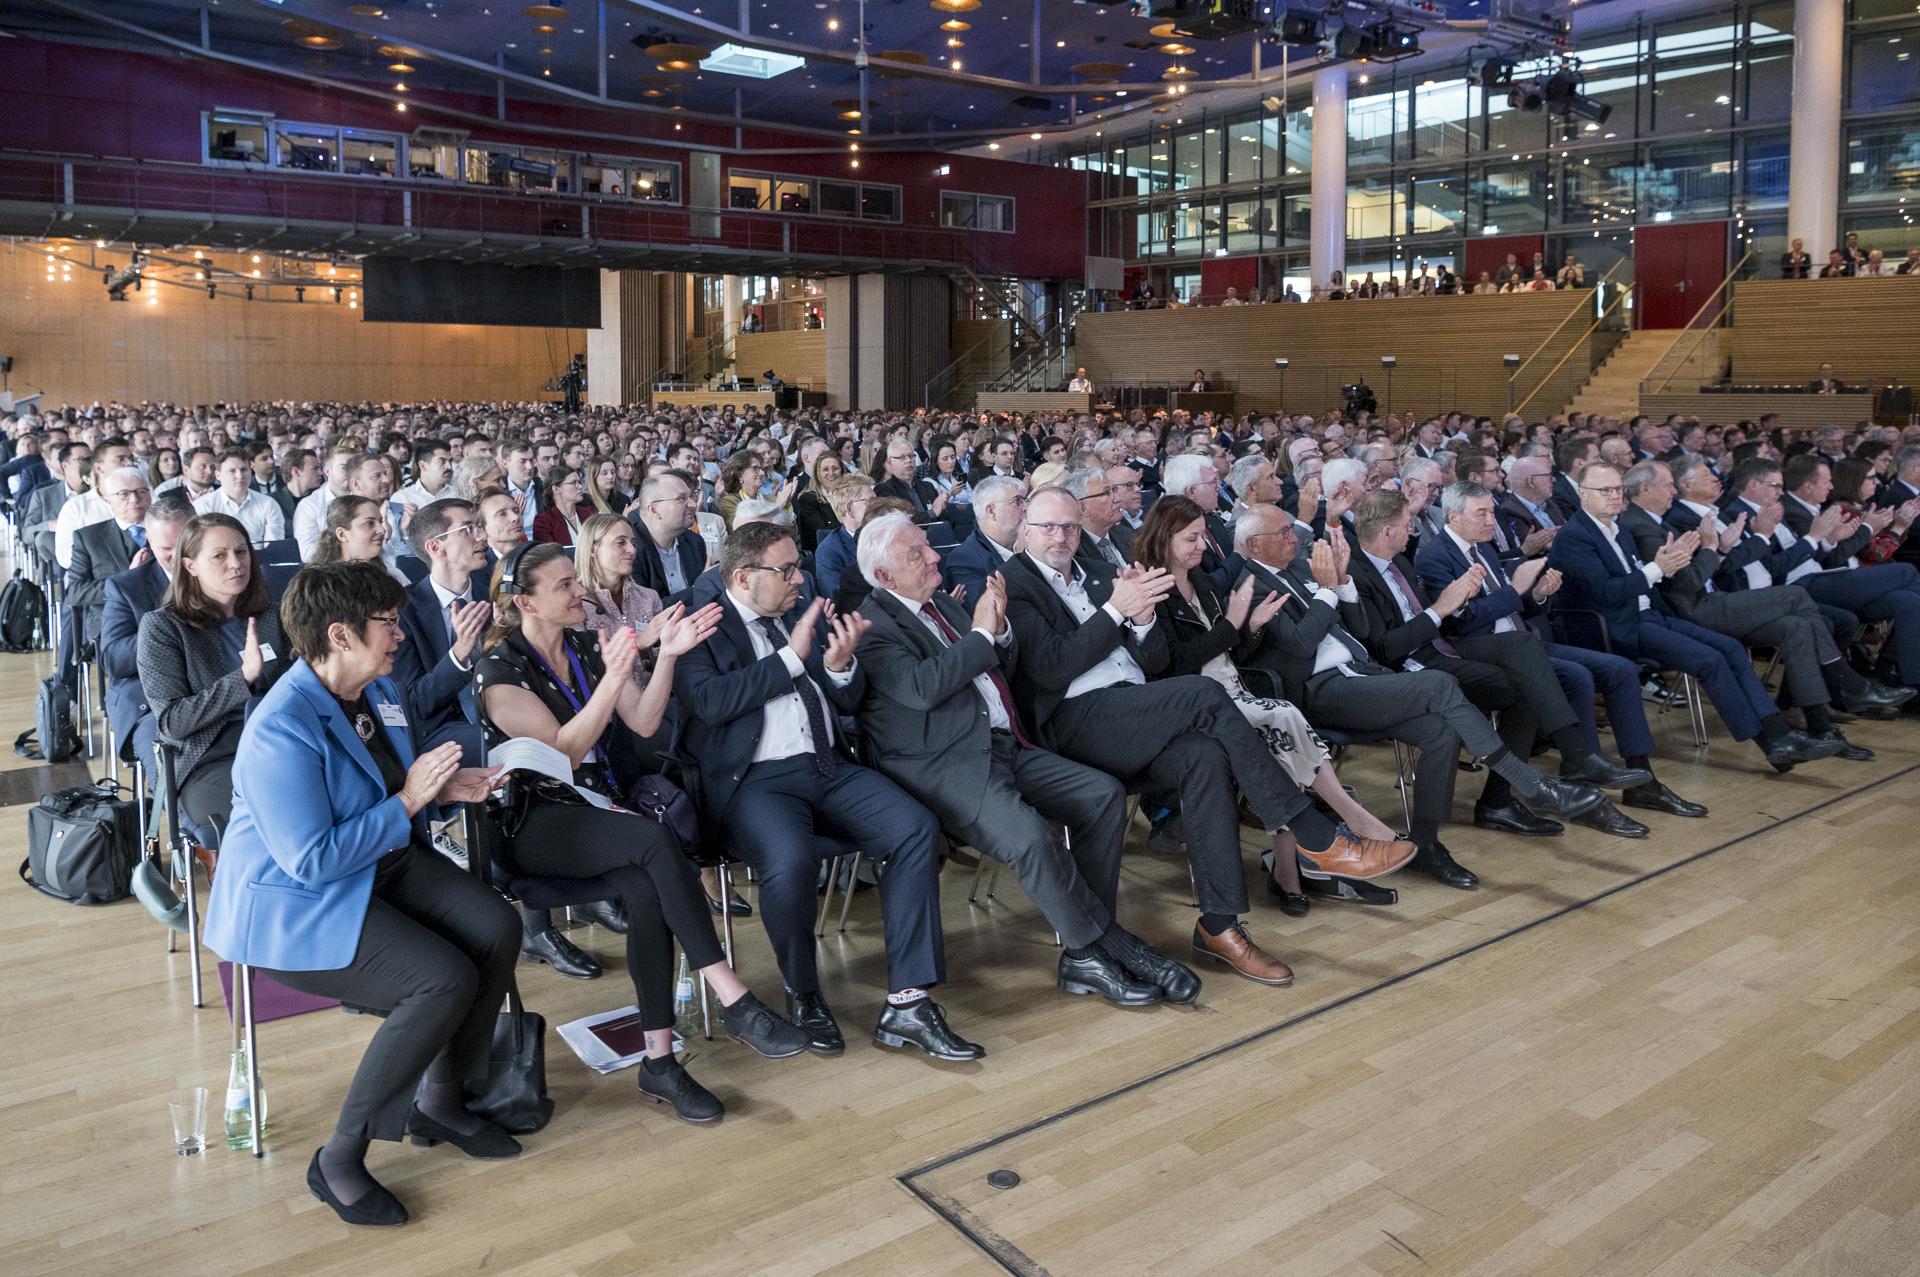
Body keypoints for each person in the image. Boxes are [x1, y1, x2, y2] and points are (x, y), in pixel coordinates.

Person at [200, 561, 522, 1228]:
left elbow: (389, 788)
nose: (401, 635)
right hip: (295, 903)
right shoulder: (279, 728)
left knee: (496, 925)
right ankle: (341, 1154)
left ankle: (441, 1096)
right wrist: (410, 798)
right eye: (388, 623)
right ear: (340, 633)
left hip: (376, 864)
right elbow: (312, 858)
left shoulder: (379, 691)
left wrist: (443, 791)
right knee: (439, 980)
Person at [1003, 487, 1415, 987]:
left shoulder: (1092, 572)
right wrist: (1116, 611)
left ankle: (1219, 926)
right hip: (1076, 721)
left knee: (1205, 757)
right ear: (1025, 527)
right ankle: (1316, 835)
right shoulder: (1016, 582)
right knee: (1203, 693)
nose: (1062, 536)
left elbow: (1153, 662)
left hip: (1135, 711)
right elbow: (1049, 670)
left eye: (1069, 526)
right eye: (1049, 527)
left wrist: (1143, 619)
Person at [477, 542, 810, 1114]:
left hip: (599, 816)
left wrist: (670, 657)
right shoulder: (499, 669)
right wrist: (616, 673)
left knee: (646, 886)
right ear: (524, 602)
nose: (579, 592)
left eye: (574, 582)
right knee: (654, 843)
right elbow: (565, 753)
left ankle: (659, 1062)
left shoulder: (585, 645)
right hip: (534, 822)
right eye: (563, 586)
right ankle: (731, 995)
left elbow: (644, 718)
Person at [854, 513, 1198, 1005]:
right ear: (885, 576)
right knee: (1033, 838)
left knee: (1101, 794)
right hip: (947, 765)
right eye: (917, 554)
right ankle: (1102, 945)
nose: (934, 556)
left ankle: (1086, 949)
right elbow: (923, 688)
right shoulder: (872, 625)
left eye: (929, 546)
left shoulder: (941, 607)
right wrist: (980, 635)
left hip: (1002, 744)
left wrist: (1002, 629)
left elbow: (998, 664)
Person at [672, 522, 982, 1061]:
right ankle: (804, 992)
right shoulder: (704, 625)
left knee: (915, 829)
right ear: (744, 577)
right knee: (789, 860)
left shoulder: (801, 613)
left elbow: (848, 700)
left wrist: (839, 669)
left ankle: (908, 1000)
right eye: (786, 569)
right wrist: (792, 658)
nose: (800, 578)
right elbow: (709, 702)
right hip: (754, 784)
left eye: (799, 566)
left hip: (828, 766)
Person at [1232, 503, 1606, 888]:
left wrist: (1342, 582)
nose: (1293, 537)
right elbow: (1300, 643)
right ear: (1255, 545)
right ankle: (1526, 782)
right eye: (1283, 533)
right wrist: (1327, 590)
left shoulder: (1299, 568)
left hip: (1361, 674)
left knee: (1439, 732)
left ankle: (1426, 843)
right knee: (1440, 684)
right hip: (1320, 690)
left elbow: (1358, 629)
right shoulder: (1251, 585)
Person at [1132, 497, 1411, 913]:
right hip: (1194, 703)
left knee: (1279, 726)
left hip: (1234, 688)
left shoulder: (1203, 584)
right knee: (1280, 721)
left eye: (1203, 537)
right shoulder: (1154, 591)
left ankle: (1293, 871)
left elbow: (1232, 652)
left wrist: (1252, 627)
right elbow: (1173, 664)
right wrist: (1232, 624)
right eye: (1191, 539)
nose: (1202, 547)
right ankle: (1342, 832)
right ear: (1164, 538)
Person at [1545, 463, 1845, 773]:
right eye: (1604, 491)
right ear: (1582, 494)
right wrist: (1658, 568)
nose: (1613, 496)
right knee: (1709, 660)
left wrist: (1671, 564)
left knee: (1728, 648)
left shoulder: (1616, 528)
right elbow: (1608, 592)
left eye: (1617, 489)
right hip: (1616, 625)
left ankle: (1780, 737)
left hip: (1648, 614)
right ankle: (1771, 745)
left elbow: (1641, 578)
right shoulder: (1575, 536)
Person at [136, 513, 292, 832]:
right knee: (271, 813)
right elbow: (172, 722)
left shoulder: (273, 616)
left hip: (280, 743)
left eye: (241, 552)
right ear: (191, 566)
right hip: (212, 756)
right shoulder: (163, 627)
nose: (236, 564)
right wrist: (243, 678)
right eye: (219, 555)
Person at [100, 492, 193, 771]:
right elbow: (113, 660)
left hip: (211, 690)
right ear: (150, 544)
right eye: (167, 548)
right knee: (177, 773)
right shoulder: (126, 587)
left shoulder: (220, 573)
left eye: (184, 545)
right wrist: (166, 628)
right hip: (148, 701)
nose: (177, 556)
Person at [943, 474, 1027, 605]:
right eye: (1017, 501)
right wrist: (1024, 561)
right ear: (992, 511)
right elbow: (993, 613)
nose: (1026, 507)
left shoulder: (1033, 542)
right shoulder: (964, 560)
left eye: (1026, 500)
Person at [627, 469, 707, 601]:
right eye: (682, 499)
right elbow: (646, 610)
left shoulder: (695, 542)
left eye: (692, 497)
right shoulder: (631, 550)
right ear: (654, 509)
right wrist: (701, 588)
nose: (693, 504)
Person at [314, 495, 410, 585]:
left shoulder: (394, 577)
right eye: (369, 523)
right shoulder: (318, 585)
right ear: (342, 534)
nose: (382, 530)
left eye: (380, 522)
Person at [812, 473, 876, 606]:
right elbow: (840, 600)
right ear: (849, 509)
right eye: (870, 502)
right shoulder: (828, 551)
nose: (878, 506)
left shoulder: (886, 535)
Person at [793, 451, 846, 554]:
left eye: (835, 468)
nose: (831, 473)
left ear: (842, 471)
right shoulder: (807, 499)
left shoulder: (851, 495)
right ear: (818, 474)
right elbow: (821, 532)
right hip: (824, 551)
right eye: (825, 469)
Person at [530, 465, 593, 547]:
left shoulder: (590, 513)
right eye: (574, 483)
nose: (580, 486)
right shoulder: (544, 522)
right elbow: (550, 555)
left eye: (580, 482)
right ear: (556, 489)